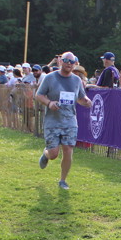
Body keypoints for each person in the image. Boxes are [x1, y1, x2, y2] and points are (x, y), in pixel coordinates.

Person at [35, 51, 93, 190]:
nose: (69, 64)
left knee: (68, 149)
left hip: (70, 121)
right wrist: (49, 103)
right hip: (53, 121)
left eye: (72, 62)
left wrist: (86, 101)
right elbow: (39, 95)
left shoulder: (77, 80)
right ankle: (46, 154)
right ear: (61, 61)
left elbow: (80, 98)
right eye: (66, 61)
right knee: (54, 154)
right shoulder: (50, 78)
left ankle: (63, 180)